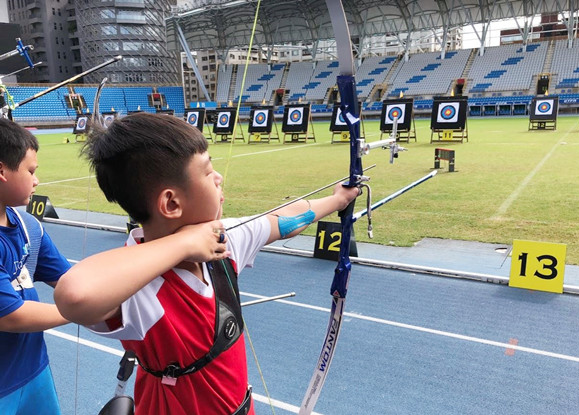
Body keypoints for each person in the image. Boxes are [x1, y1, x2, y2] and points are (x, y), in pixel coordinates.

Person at [54, 112, 358, 415]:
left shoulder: (221, 240)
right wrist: (184, 243)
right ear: (171, 204)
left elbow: (283, 220)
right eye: (207, 171)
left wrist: (336, 201)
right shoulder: (138, 286)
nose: (219, 177)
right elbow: (74, 293)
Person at [0, 118, 71, 414]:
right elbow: (11, 317)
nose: (36, 180)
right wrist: (78, 310)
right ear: (2, 171)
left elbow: (70, 279)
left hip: (35, 370)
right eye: (31, 171)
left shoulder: (29, 226)